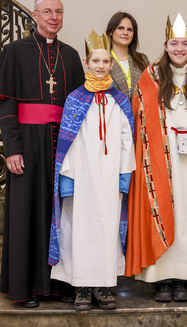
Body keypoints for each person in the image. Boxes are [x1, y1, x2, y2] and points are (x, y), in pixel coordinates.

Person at [0, 0, 85, 307]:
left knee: (59, 214)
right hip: (27, 145)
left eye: (59, 11)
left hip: (62, 145)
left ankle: (58, 286)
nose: (54, 17)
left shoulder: (70, 55)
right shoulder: (15, 51)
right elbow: (8, 106)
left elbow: (79, 107)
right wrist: (12, 148)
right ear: (35, 15)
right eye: (47, 11)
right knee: (27, 214)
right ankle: (25, 288)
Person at [125, 14, 187, 303]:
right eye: (174, 43)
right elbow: (140, 119)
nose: (179, 48)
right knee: (162, 207)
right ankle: (162, 278)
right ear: (165, 45)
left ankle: (184, 278)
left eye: (185, 43)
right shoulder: (150, 76)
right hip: (159, 160)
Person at [48, 30, 135, 310]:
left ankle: (104, 286)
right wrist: (68, 179)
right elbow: (67, 143)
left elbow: (127, 140)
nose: (100, 66)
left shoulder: (119, 101)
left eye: (105, 62)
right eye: (95, 61)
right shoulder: (75, 99)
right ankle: (82, 288)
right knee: (80, 230)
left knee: (107, 229)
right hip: (82, 179)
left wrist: (124, 175)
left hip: (109, 179)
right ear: (86, 63)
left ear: (111, 65)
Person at [105, 11, 150, 101]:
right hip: (112, 114)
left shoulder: (142, 60)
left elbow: (150, 91)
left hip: (139, 113)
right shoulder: (102, 60)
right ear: (110, 32)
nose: (125, 32)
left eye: (130, 29)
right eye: (120, 28)